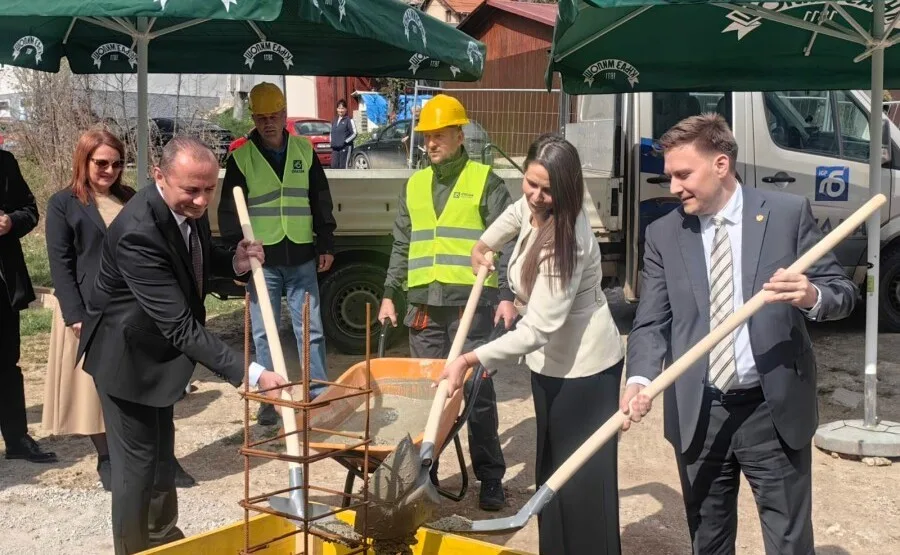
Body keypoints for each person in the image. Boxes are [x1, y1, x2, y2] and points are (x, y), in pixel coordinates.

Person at [620, 114, 857, 555]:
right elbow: (651, 322)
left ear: (721, 165)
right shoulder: (663, 234)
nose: (673, 187)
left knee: (788, 538)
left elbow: (842, 292)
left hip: (772, 409)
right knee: (707, 538)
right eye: (669, 175)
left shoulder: (786, 215)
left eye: (683, 174)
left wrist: (809, 296)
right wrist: (640, 379)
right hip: (700, 410)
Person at [78, 137, 289, 555]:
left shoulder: (179, 207)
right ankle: (134, 549)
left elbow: (194, 253)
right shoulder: (138, 232)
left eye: (209, 189)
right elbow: (180, 326)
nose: (201, 199)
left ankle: (163, 540)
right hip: (127, 360)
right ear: (159, 176)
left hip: (157, 355)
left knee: (161, 459)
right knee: (136, 469)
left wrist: (235, 261)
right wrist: (251, 373)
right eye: (192, 189)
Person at [440, 133, 625, 554]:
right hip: (551, 365)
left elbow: (538, 328)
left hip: (586, 370)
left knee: (580, 480)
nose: (537, 197)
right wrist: (484, 244)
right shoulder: (535, 205)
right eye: (531, 183)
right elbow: (514, 212)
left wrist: (471, 357)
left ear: (568, 187)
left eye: (548, 189)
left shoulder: (568, 242)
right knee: (551, 472)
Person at [377, 94, 512, 512]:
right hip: (423, 309)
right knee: (426, 394)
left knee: (475, 394)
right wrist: (388, 294)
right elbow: (402, 244)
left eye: (438, 135)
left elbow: (508, 243)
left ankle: (490, 477)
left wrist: (507, 294)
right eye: (426, 136)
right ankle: (426, 473)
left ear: (459, 133)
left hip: (469, 307)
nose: (430, 143)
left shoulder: (486, 181)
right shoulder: (415, 185)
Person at [218, 82, 337, 426]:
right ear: (254, 118)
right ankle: (270, 400)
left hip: (301, 255)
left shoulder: (303, 150)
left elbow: (320, 198)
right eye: (262, 117)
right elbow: (229, 212)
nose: (269, 122)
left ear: (284, 115)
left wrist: (326, 241)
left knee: (311, 329)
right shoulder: (241, 157)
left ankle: (318, 395)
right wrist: (236, 252)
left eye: (275, 116)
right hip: (263, 260)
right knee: (263, 333)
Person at [43, 129, 136, 490]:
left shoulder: (129, 198)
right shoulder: (63, 203)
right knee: (92, 391)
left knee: (130, 384)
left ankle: (140, 454)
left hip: (129, 307)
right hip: (87, 309)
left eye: (116, 163)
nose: (109, 170)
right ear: (84, 160)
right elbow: (60, 263)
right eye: (101, 162)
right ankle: (107, 457)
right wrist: (75, 314)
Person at [0, 149, 57, 464]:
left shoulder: (5, 162)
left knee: (7, 364)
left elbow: (30, 210)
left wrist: (11, 222)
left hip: (2, 286)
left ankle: (17, 439)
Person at [330, 99, 357, 169]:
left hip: (345, 147)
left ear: (346, 109)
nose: (341, 110)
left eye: (342, 108)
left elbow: (354, 133)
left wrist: (345, 142)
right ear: (337, 109)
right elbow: (331, 132)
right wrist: (331, 141)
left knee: (343, 167)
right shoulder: (334, 120)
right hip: (335, 148)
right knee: (334, 166)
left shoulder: (349, 120)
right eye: (339, 108)